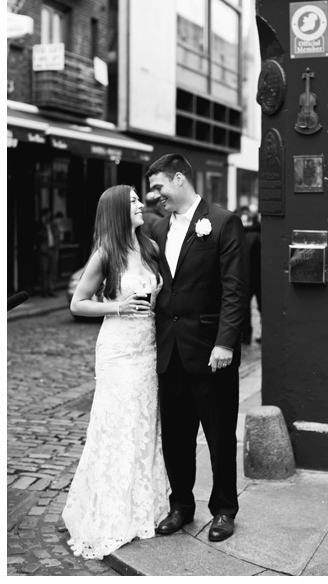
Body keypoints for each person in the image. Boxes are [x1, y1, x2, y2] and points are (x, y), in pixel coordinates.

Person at [63, 185, 169, 559]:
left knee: (144, 425)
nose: (142, 204)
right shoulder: (106, 254)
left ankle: (144, 506)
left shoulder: (150, 248)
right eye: (134, 201)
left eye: (141, 199)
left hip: (148, 350)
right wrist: (117, 307)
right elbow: (77, 304)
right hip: (118, 352)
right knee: (118, 427)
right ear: (117, 212)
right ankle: (111, 514)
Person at [146, 154, 248, 542]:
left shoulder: (222, 222)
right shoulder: (157, 230)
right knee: (175, 434)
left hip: (211, 352)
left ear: (179, 179)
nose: (155, 196)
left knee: (220, 435)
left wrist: (225, 342)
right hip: (169, 351)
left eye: (159, 187)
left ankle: (223, 509)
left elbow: (235, 290)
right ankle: (181, 506)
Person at [237, 207, 262, 344]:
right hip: (259, 276)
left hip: (246, 277)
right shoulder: (260, 235)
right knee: (260, 306)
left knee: (245, 308)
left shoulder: (244, 237)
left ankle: (246, 336)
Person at [37, 210, 60, 296]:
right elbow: (39, 236)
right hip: (44, 252)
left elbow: (57, 236)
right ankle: (45, 291)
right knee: (44, 272)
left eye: (48, 215)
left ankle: (52, 290)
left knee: (53, 271)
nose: (47, 217)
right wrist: (43, 226)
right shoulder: (41, 226)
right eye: (46, 215)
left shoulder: (53, 225)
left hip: (53, 250)